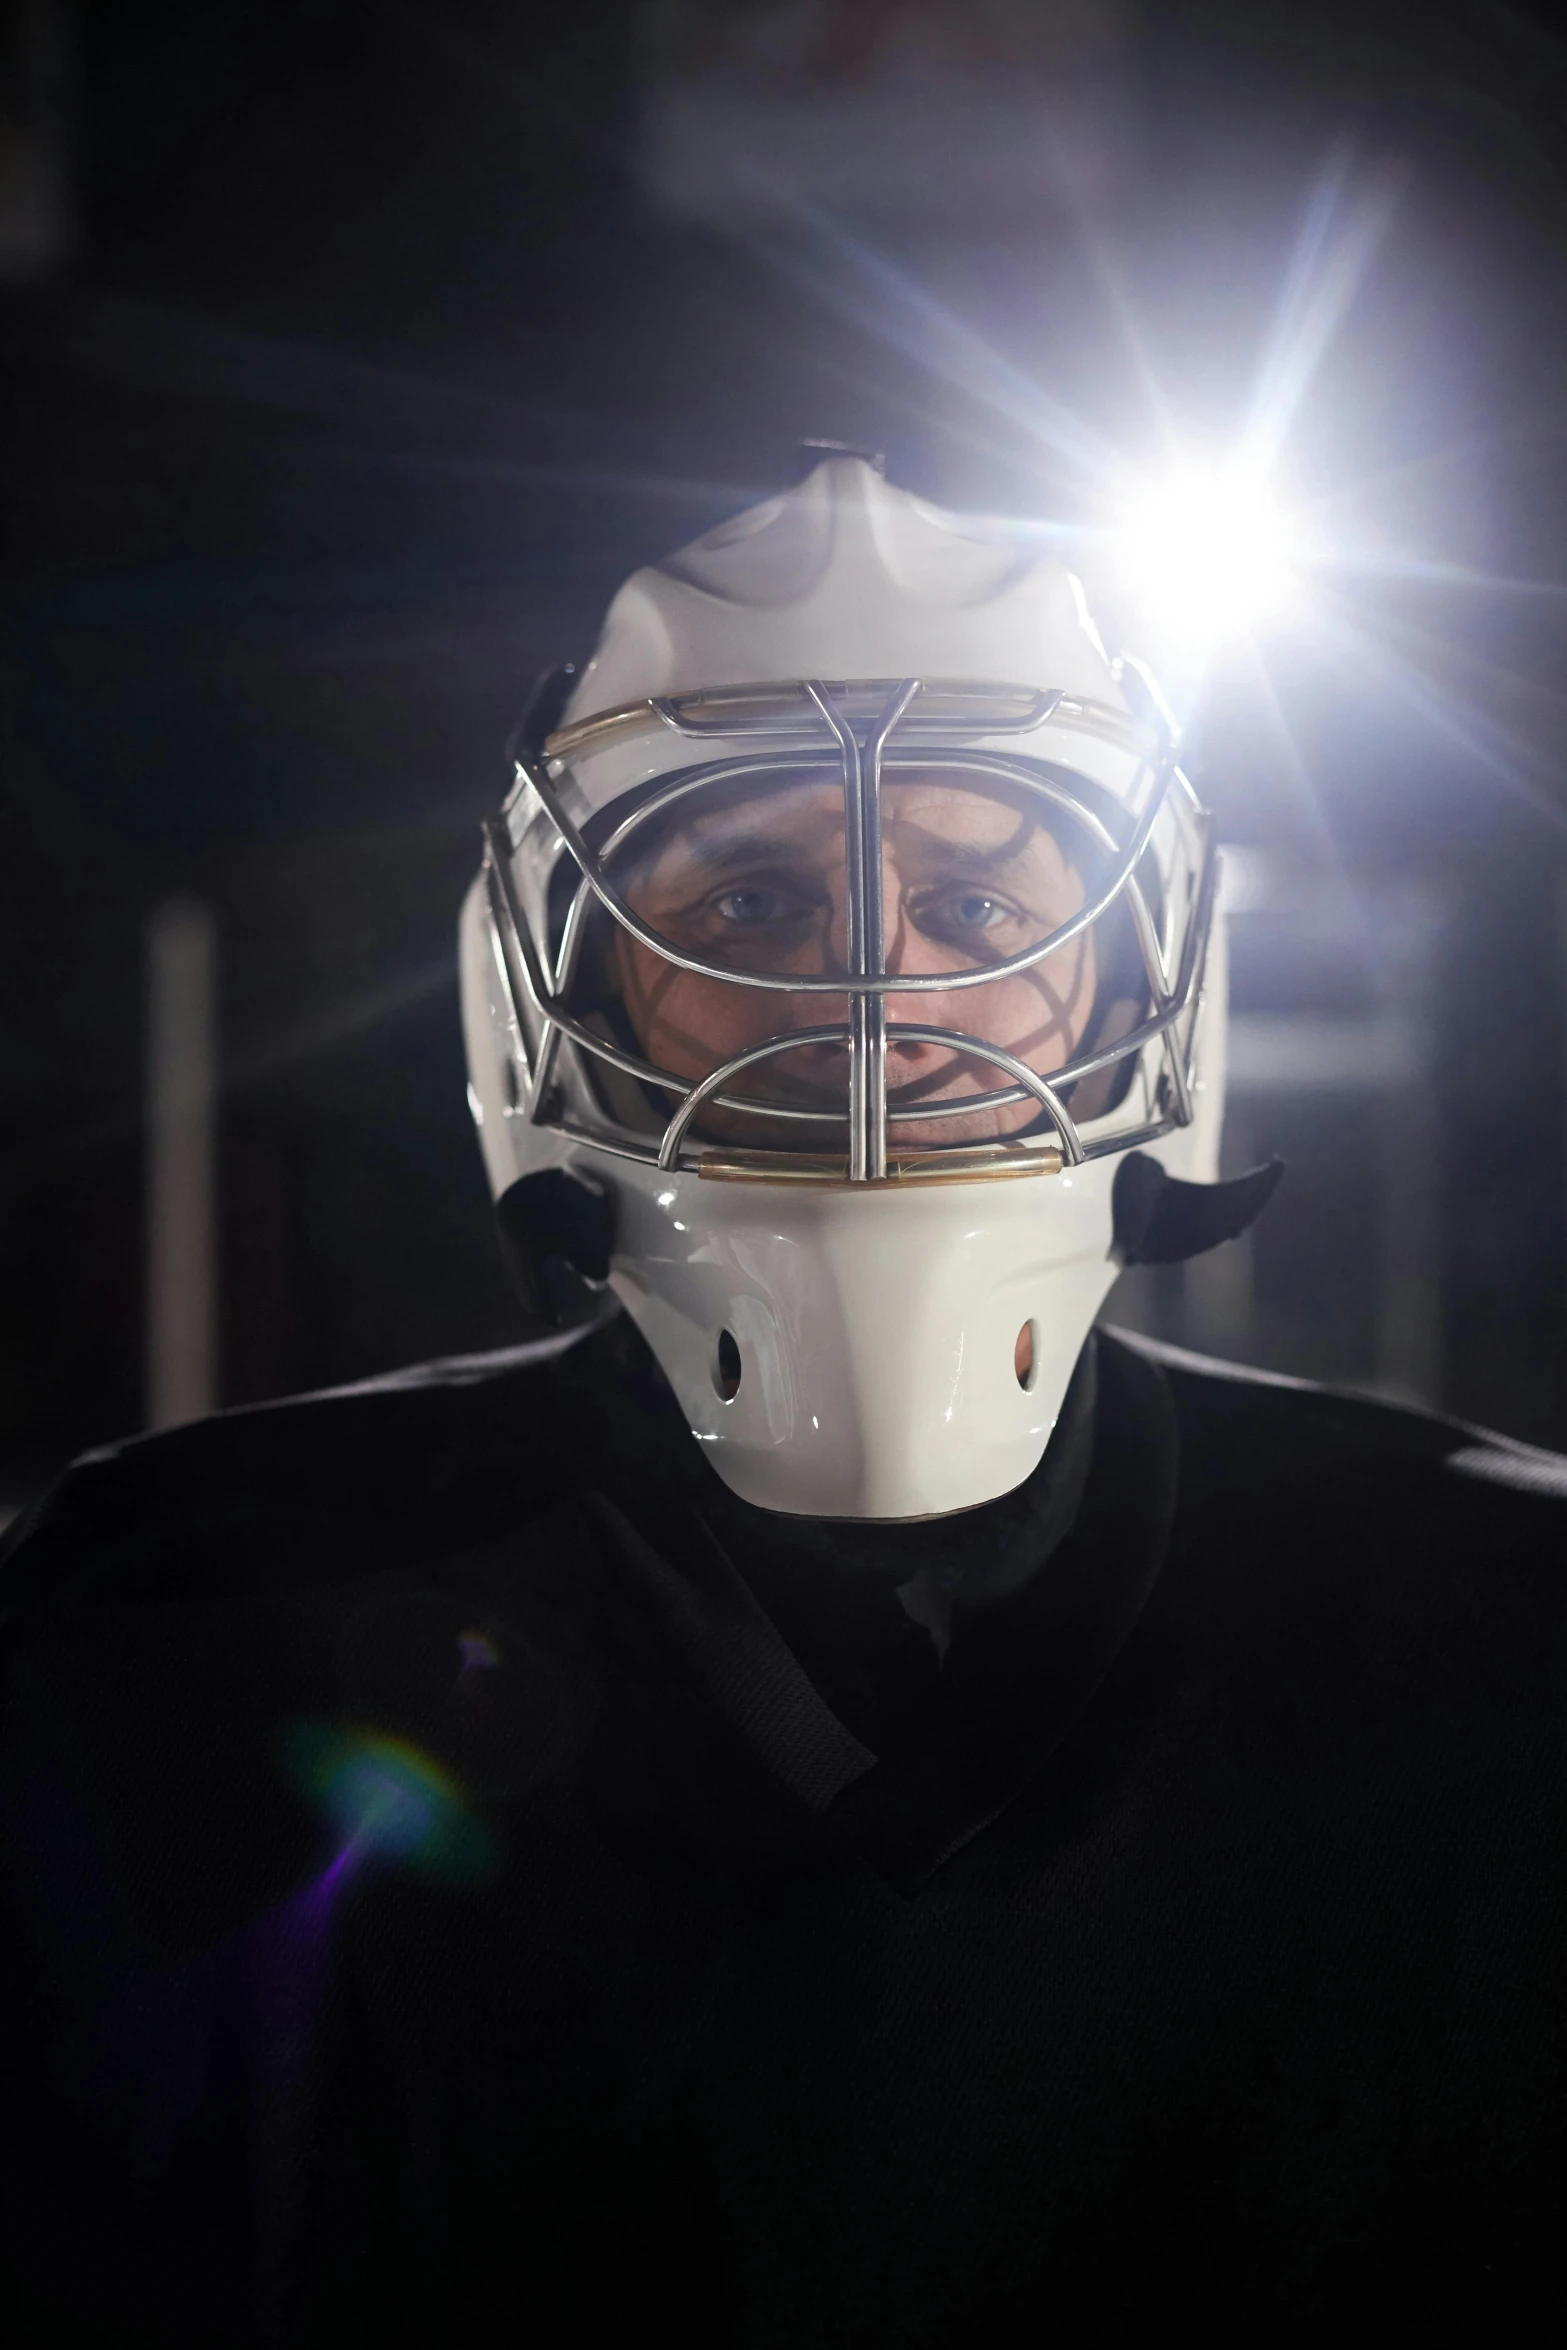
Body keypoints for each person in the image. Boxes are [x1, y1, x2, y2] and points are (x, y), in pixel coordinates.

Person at [3, 454, 1566, 2347]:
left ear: (1135, 981)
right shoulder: (167, 1614)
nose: (869, 996)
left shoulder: (1497, 1630)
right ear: (554, 991)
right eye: (745, 900)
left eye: (980, 913)